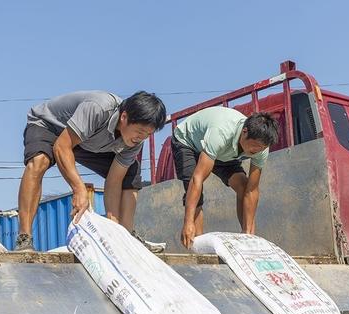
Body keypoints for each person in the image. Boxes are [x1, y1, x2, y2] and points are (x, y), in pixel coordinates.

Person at [16, 90, 166, 251]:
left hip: (84, 140)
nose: (141, 138)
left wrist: (112, 225)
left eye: (147, 135)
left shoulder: (135, 142)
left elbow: (114, 180)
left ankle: (126, 236)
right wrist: (79, 189)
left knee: (131, 171)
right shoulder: (98, 108)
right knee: (39, 161)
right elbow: (61, 146)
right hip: (50, 126)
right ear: (124, 117)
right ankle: (24, 237)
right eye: (140, 132)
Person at [171, 106, 279, 248]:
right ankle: (198, 247)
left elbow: (251, 190)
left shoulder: (261, 148)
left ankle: (246, 236)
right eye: (255, 146)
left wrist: (249, 233)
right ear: (244, 132)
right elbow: (197, 179)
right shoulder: (221, 132)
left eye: (262, 148)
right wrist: (188, 222)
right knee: (197, 191)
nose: (257, 151)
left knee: (243, 185)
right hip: (188, 142)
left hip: (222, 152)